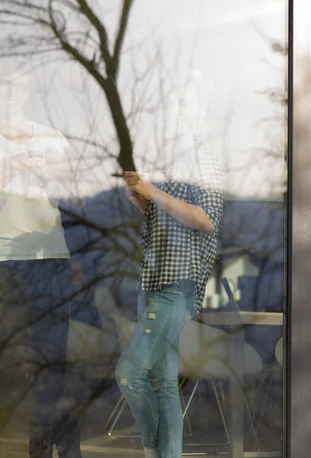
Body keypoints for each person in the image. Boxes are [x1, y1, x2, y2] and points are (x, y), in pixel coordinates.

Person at [0, 62, 83, 458]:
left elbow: (82, 199)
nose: (10, 92)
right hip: (6, 262)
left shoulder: (52, 138)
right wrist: (4, 171)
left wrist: (62, 178)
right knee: (28, 367)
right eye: (3, 86)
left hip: (51, 258)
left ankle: (55, 452)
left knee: (56, 364)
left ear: (28, 90)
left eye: (18, 86)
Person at [115, 131, 224, 458]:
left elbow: (206, 220)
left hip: (176, 286)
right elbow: (169, 223)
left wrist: (153, 191)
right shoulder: (171, 162)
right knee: (164, 386)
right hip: (152, 282)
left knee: (129, 374)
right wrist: (143, 201)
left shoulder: (206, 156)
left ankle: (152, 449)